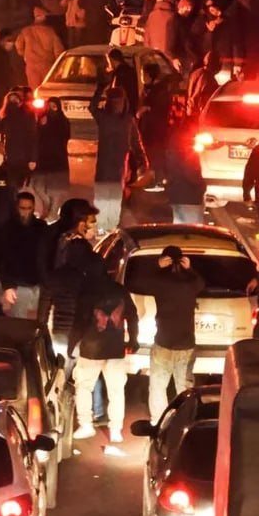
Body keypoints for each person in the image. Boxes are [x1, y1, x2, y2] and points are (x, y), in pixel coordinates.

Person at [68, 242, 138, 443]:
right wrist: (133, 339)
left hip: (91, 349)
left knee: (84, 387)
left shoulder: (86, 291)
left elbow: (80, 321)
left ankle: (86, 425)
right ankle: (116, 430)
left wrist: (72, 345)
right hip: (115, 348)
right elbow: (132, 316)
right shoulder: (119, 290)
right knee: (116, 391)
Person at [133, 245, 204, 424]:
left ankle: (158, 422)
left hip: (164, 342)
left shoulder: (159, 283)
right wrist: (190, 269)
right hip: (186, 344)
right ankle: (185, 420)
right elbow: (200, 283)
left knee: (158, 386)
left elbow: (139, 283)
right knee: (184, 387)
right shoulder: (190, 284)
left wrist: (156, 266)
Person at [89, 84, 145, 234]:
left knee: (108, 201)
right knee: (108, 201)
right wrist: (142, 161)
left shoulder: (119, 119)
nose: (116, 105)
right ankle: (106, 229)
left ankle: (106, 229)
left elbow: (136, 142)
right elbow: (136, 142)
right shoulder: (114, 118)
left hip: (113, 169)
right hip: (112, 169)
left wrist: (142, 161)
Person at [0, 192, 47, 319]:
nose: (26, 212)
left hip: (37, 282)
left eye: (29, 208)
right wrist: (8, 285)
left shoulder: (41, 227)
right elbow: (2, 258)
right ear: (16, 208)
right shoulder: (7, 229)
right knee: (19, 320)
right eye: (23, 208)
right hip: (18, 283)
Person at [31, 97, 70, 219]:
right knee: (37, 185)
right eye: (49, 106)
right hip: (42, 158)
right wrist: (41, 125)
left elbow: (66, 136)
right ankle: (46, 204)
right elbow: (35, 136)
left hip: (58, 159)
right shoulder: (42, 119)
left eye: (54, 106)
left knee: (55, 190)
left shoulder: (63, 121)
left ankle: (52, 214)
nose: (51, 109)